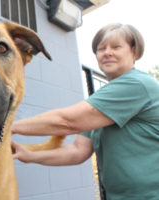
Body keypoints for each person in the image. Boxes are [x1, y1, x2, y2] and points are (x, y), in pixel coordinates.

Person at [11, 23, 159, 200]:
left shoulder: (138, 84)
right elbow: (77, 151)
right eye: (101, 48)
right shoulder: (102, 102)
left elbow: (67, 121)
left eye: (116, 47)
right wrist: (29, 156)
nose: (107, 52)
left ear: (134, 52)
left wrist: (8, 126)